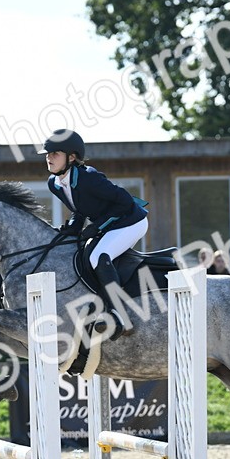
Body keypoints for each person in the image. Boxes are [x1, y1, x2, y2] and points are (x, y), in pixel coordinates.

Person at [39, 129, 149, 335]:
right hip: (111, 223)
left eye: (54, 154)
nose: (49, 158)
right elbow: (79, 209)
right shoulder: (54, 183)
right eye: (47, 154)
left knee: (99, 255)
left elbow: (124, 202)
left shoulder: (89, 177)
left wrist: (97, 227)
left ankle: (119, 315)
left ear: (71, 157)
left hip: (132, 221)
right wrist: (71, 227)